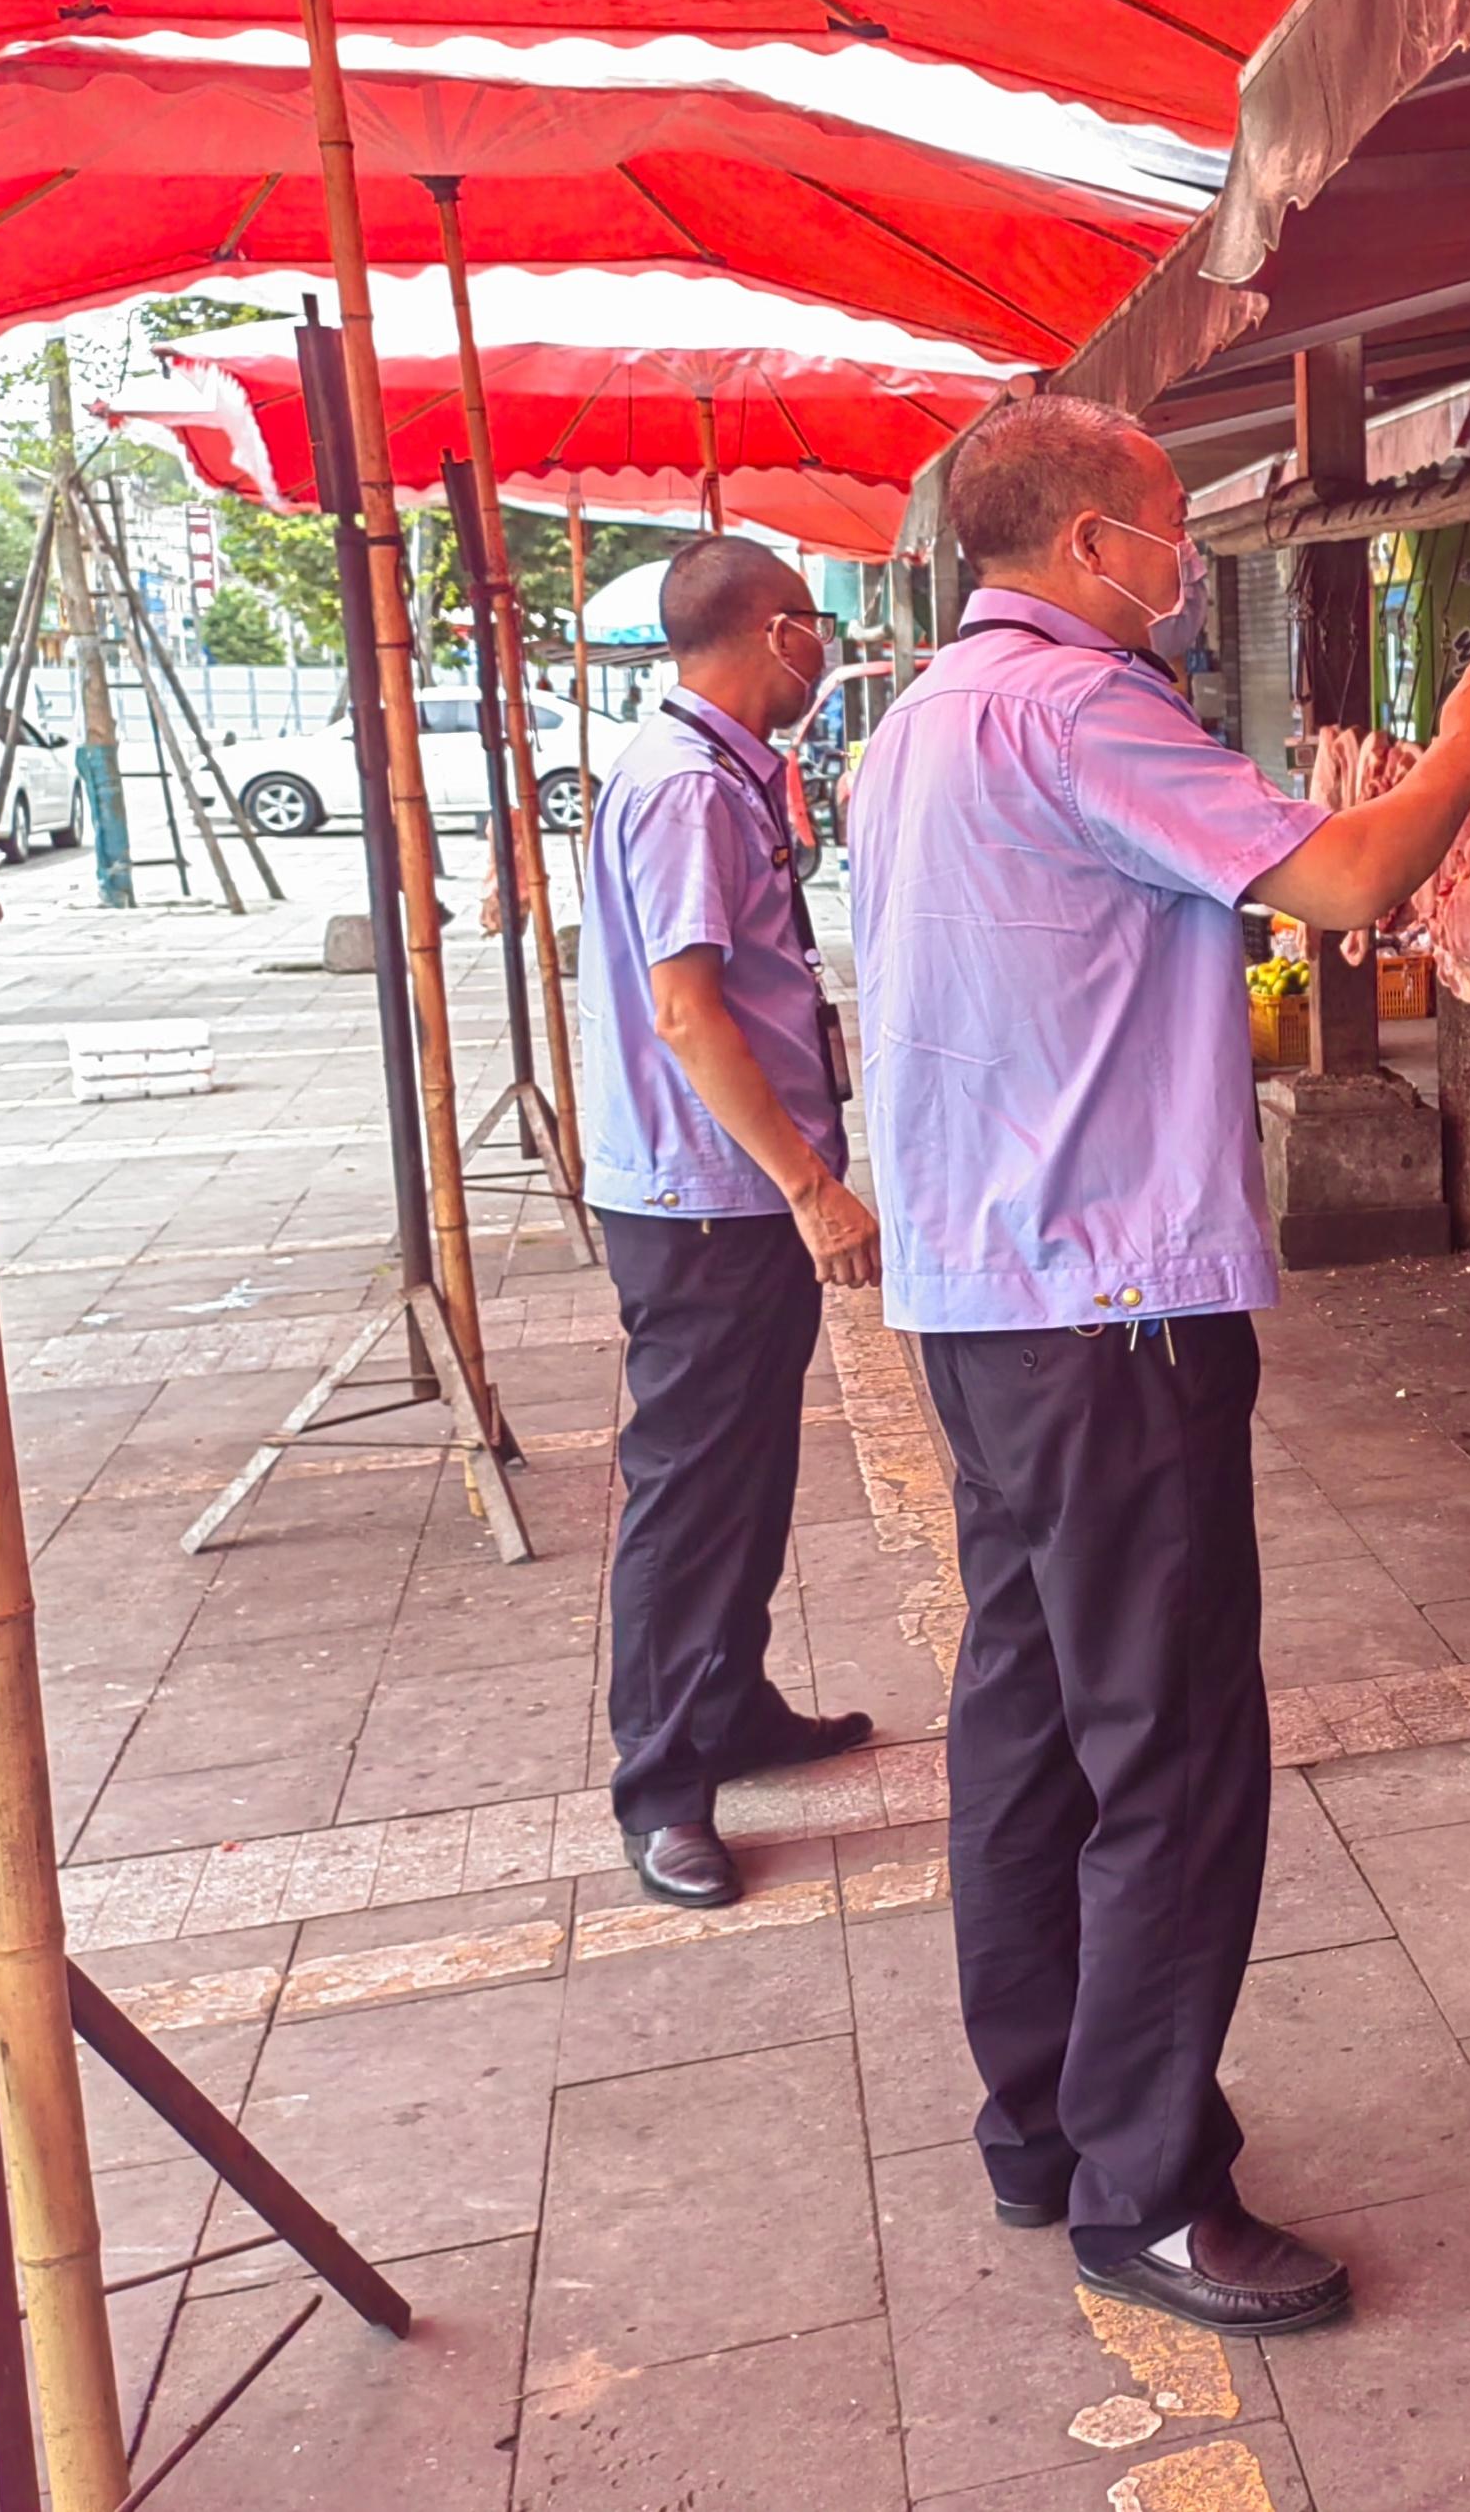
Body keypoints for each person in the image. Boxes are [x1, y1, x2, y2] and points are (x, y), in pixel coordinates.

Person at [850, 394, 1470, 2336]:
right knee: (1165, 1755)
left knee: (1029, 1729)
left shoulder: (918, 726)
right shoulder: (1080, 710)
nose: (1187, 560)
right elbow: (1337, 883)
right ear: (1084, 546)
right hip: (1108, 1311)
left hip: (986, 1309)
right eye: (1167, 526)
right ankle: (1146, 2190)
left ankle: (1041, 2128)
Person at [577, 536, 880, 1910]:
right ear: (770, 632)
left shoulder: (716, 776)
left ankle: (731, 1705)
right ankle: (664, 1789)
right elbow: (689, 1012)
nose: (819, 650)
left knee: (746, 1474)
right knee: (694, 1493)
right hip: (709, 1198)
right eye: (812, 626)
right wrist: (810, 1186)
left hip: (727, 1194)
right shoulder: (688, 789)